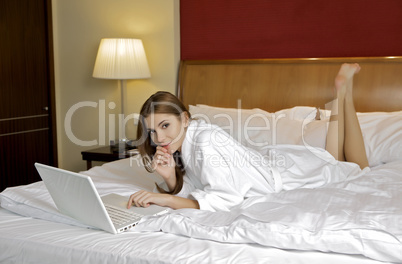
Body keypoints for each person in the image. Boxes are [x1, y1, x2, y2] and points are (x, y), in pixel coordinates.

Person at [127, 63, 369, 212]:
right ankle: (341, 94)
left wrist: (162, 199)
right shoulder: (187, 143)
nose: (159, 137)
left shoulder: (204, 143)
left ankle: (344, 96)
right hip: (270, 164)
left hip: (284, 176)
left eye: (165, 125)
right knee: (331, 157)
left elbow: (223, 198)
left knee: (357, 166)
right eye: (152, 131)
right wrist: (170, 177)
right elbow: (199, 188)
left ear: (186, 119)